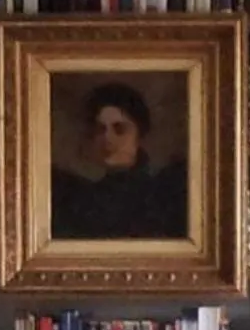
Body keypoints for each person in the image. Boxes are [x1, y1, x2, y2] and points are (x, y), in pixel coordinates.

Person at [50, 81, 188, 240]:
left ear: (139, 136)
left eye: (120, 129)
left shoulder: (162, 196)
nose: (107, 138)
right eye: (100, 129)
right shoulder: (82, 200)